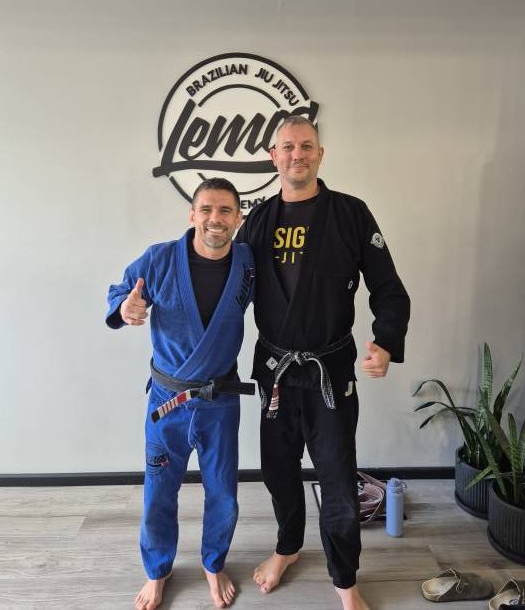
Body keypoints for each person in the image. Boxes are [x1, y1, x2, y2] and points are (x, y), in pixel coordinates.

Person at [236, 115, 410, 610]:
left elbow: (389, 289)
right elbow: (226, 289)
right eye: (288, 146)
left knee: (337, 477)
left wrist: (385, 342)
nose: (298, 154)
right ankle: (287, 547)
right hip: (275, 372)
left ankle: (344, 579)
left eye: (307, 146)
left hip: (329, 372)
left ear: (320, 154)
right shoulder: (257, 221)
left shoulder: (351, 214)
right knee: (278, 471)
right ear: (274, 156)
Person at [106, 178, 254, 610]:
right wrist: (125, 307)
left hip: (220, 402)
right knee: (158, 491)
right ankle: (157, 571)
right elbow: (120, 292)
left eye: (225, 210)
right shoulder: (159, 259)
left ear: (238, 218)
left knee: (223, 493)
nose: (215, 219)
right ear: (192, 214)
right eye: (206, 209)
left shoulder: (248, 264)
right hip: (167, 401)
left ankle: (213, 563)